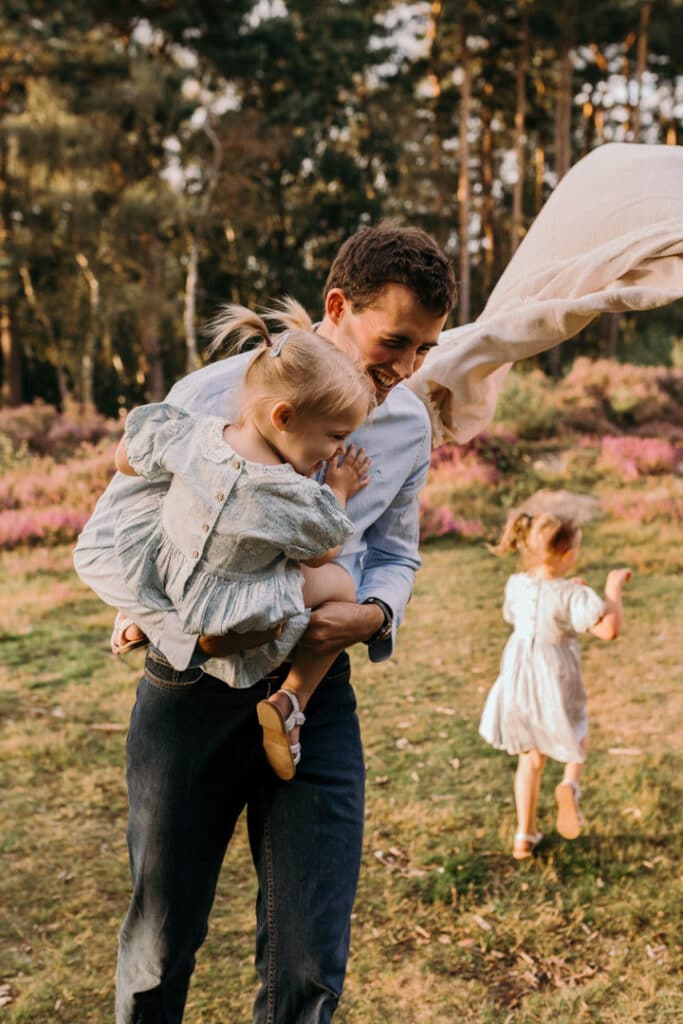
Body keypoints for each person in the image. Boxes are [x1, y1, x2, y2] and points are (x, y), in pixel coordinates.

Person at [73, 222, 457, 1024]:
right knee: (159, 945)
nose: (408, 368)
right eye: (396, 341)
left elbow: (394, 551)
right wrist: (200, 633)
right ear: (337, 305)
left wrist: (373, 612)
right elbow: (113, 539)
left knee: (311, 957)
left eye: (425, 348)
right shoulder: (212, 395)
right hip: (191, 690)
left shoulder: (408, 423)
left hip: (315, 697)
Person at [112, 300, 375, 780]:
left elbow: (125, 458)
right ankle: (292, 697)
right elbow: (322, 554)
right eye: (335, 435)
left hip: (169, 572)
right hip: (236, 610)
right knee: (340, 585)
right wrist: (338, 489)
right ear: (284, 417)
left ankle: (146, 607)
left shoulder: (197, 434)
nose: (337, 449)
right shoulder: (288, 493)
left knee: (161, 504)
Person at [478, 510, 631, 860]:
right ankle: (569, 784)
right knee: (577, 733)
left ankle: (524, 836)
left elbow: (517, 615)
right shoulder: (572, 596)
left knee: (530, 759)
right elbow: (608, 629)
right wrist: (611, 589)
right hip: (555, 678)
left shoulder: (517, 585)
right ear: (567, 554)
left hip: (518, 678)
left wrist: (568, 590)